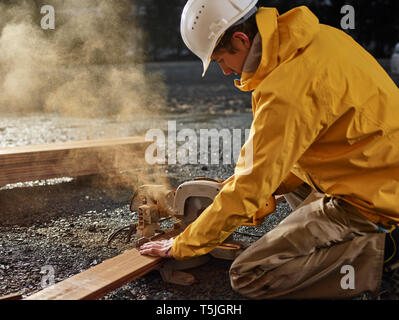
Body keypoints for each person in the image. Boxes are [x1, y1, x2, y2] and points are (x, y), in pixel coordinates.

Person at [139, 0, 399, 299]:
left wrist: (183, 245)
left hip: (376, 199)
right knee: (275, 179)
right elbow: (278, 157)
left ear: (241, 39)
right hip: (377, 168)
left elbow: (251, 184)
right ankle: (341, 241)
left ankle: (384, 251)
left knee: (250, 274)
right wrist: (257, 190)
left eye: (221, 59)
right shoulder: (318, 37)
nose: (224, 71)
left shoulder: (286, 89)